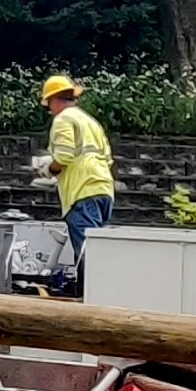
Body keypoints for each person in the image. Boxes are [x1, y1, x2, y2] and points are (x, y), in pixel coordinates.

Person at [42, 74, 113, 291]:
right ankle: (91, 291)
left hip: (82, 191)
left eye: (48, 104)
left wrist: (47, 169)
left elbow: (64, 156)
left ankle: (89, 297)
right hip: (103, 188)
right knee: (96, 248)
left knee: (86, 250)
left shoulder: (63, 119)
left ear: (54, 99)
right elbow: (108, 157)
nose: (49, 109)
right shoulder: (90, 121)